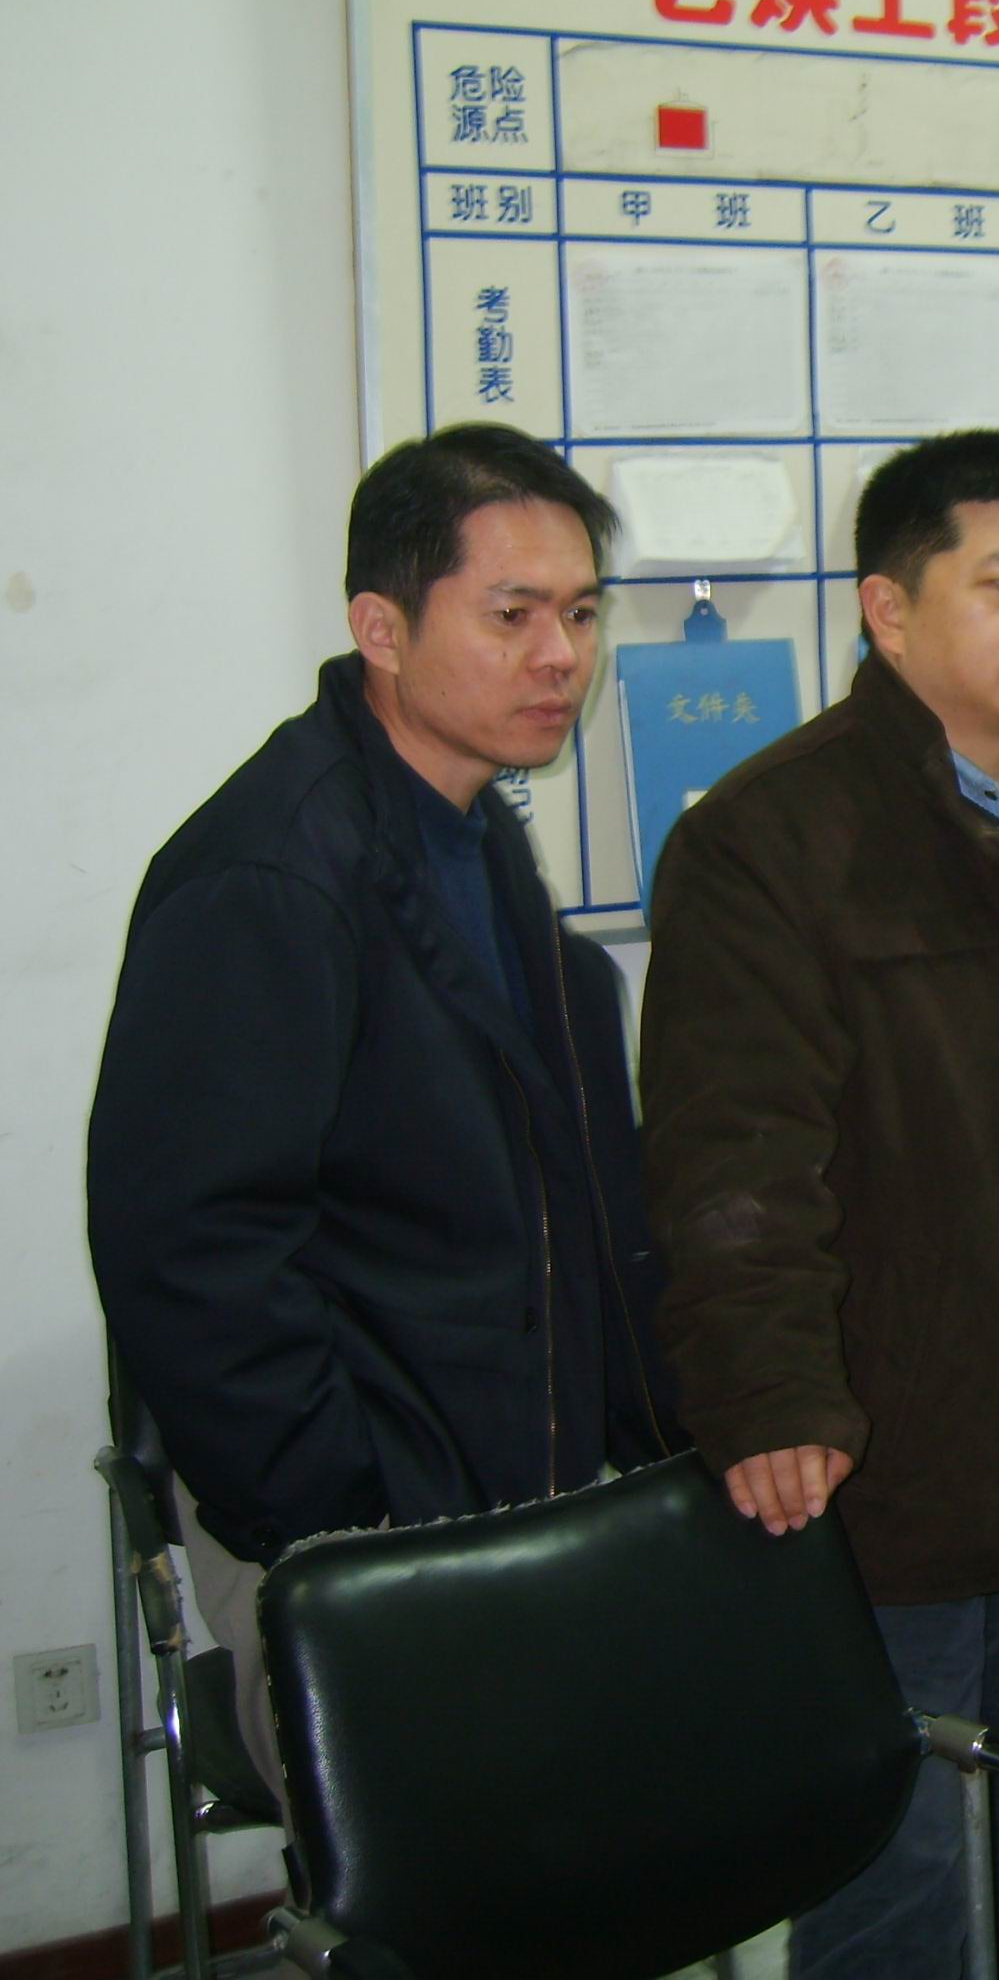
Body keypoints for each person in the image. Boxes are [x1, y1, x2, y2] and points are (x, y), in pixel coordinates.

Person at [638, 430, 999, 1980]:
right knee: (891, 1884)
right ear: (888, 611)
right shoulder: (769, 837)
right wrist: (772, 1392)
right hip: (881, 1461)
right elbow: (733, 1152)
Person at [87, 424, 677, 1795]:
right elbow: (192, 1253)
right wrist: (346, 1521)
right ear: (382, 629)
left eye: (581, 613)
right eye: (512, 615)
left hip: (510, 1504)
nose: (561, 656)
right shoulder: (273, 875)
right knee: (457, 1881)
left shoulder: (472, 836)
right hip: (369, 1541)